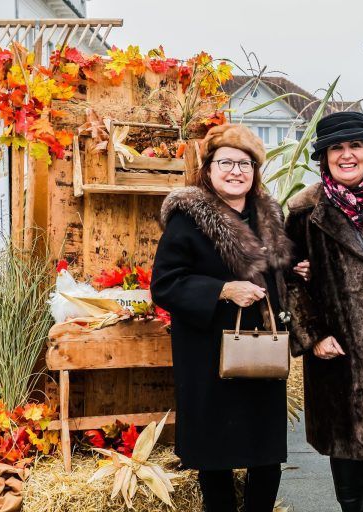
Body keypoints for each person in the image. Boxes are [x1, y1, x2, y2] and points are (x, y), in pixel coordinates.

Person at [151, 123, 292, 512]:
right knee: (215, 453)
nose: (236, 171)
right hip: (208, 352)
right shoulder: (188, 218)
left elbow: (276, 269)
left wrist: (296, 270)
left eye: (244, 163)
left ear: (255, 171)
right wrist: (221, 290)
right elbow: (165, 283)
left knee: (266, 450)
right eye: (226, 162)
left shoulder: (269, 216)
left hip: (261, 350)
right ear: (209, 169)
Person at [285, 111, 363, 512]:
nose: (347, 155)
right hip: (335, 349)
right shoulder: (304, 210)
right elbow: (289, 279)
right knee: (345, 452)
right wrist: (313, 334)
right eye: (336, 148)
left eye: (355, 145)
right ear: (324, 158)